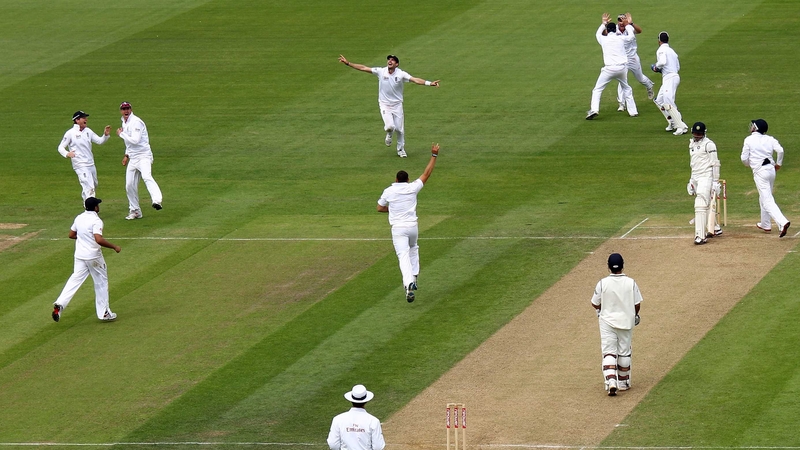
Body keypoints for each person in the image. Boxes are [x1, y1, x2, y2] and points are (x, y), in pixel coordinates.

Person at [338, 54, 440, 157]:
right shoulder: (381, 71)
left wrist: (429, 83)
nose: (390, 61)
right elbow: (364, 68)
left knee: (400, 129)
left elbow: (415, 80)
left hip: (397, 105)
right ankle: (389, 134)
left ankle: (401, 150)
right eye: (389, 59)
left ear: (397, 64)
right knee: (390, 126)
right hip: (385, 104)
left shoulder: (401, 74)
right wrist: (348, 63)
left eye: (393, 60)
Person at [377, 143, 439, 302]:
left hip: (398, 229)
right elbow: (427, 173)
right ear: (408, 179)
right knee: (414, 249)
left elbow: (379, 208)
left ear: (396, 180)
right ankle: (414, 279)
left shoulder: (389, 191)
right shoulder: (412, 187)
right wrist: (434, 155)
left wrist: (392, 210)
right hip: (412, 227)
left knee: (403, 256)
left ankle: (409, 282)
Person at [52, 197, 121, 323]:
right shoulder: (96, 220)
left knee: (74, 280)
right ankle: (104, 313)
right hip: (94, 256)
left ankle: (60, 304)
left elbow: (71, 235)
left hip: (79, 256)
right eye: (98, 205)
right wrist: (114, 247)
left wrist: (83, 238)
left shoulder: (79, 218)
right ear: (95, 207)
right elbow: (98, 239)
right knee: (101, 283)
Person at [591, 253, 642, 396]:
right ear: (623, 265)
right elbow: (637, 304)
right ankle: (623, 382)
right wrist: (634, 315)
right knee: (624, 351)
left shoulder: (602, 283)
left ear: (608, 267)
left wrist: (602, 309)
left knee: (609, 351)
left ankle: (611, 380)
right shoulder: (631, 282)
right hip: (626, 321)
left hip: (607, 322)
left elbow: (595, 303)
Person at [741, 119, 791, 237]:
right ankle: (765, 224)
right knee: (764, 196)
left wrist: (750, 164)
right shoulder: (770, 139)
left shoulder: (748, 139)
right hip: (771, 170)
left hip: (760, 171)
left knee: (767, 199)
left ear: (756, 128)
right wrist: (778, 164)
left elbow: (744, 159)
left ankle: (782, 222)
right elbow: (780, 150)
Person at [117, 101, 164, 220]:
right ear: (121, 111)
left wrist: (121, 134)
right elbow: (129, 143)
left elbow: (135, 140)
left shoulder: (136, 122)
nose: (126, 111)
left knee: (147, 176)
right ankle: (135, 211)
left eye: (128, 108)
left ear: (131, 109)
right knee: (129, 185)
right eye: (124, 109)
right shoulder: (124, 122)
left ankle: (157, 200)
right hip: (133, 158)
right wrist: (126, 155)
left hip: (144, 156)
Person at [586, 13, 638, 120]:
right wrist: (627, 24)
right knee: (627, 88)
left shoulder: (603, 39)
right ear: (615, 30)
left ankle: (594, 110)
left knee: (597, 89)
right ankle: (633, 111)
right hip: (622, 68)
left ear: (607, 31)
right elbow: (632, 36)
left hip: (609, 69)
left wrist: (603, 23)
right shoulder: (621, 38)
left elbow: (597, 34)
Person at [57, 111, 111, 201]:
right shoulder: (70, 133)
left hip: (91, 163)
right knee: (89, 186)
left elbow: (100, 141)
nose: (86, 119)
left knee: (94, 184)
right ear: (77, 120)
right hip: (80, 164)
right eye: (83, 118)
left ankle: (86, 201)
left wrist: (105, 135)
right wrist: (67, 153)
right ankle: (90, 209)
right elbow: (60, 147)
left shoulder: (88, 131)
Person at [686, 122, 722, 245]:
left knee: (700, 203)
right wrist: (691, 180)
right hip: (696, 177)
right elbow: (694, 164)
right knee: (705, 204)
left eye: (699, 134)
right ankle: (715, 228)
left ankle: (700, 236)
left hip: (706, 177)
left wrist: (715, 182)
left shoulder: (709, 144)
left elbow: (715, 163)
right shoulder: (691, 144)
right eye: (695, 134)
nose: (697, 136)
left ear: (704, 133)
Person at [614, 13, 655, 112]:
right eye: (620, 20)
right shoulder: (615, 29)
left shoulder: (629, 28)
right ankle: (622, 104)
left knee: (640, 78)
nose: (622, 22)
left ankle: (649, 86)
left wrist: (631, 23)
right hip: (622, 59)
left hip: (632, 58)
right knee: (622, 80)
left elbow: (639, 31)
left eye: (623, 20)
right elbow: (605, 33)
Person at [327, 384, 386, 450]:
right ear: (366, 401)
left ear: (351, 400)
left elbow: (333, 445)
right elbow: (378, 447)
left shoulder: (338, 419)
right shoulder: (373, 421)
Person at [652, 31, 688, 135]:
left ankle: (681, 126)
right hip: (673, 76)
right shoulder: (672, 51)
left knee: (668, 102)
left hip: (669, 78)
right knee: (659, 100)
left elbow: (662, 62)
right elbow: (677, 67)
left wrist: (656, 67)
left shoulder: (661, 50)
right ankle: (672, 122)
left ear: (659, 41)